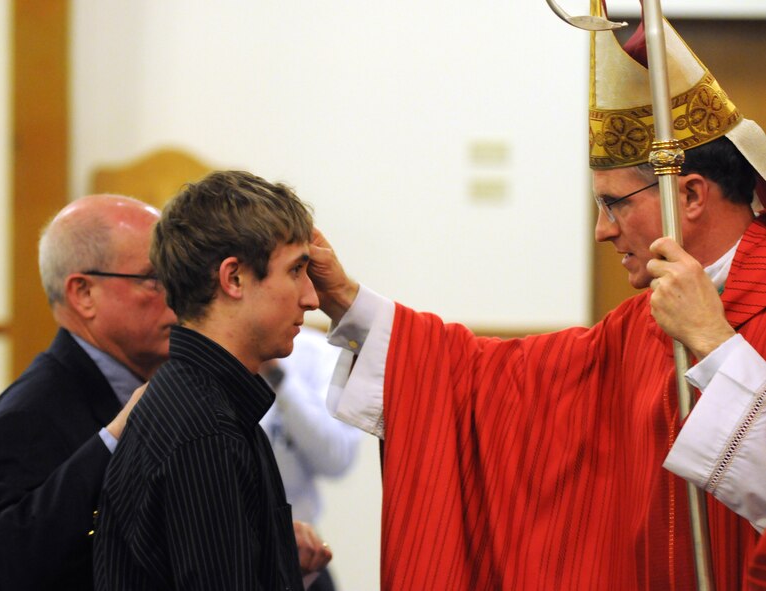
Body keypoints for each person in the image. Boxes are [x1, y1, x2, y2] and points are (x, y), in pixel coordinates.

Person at [307, 14, 766, 591]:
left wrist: (716, 346)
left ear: (691, 195)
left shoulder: (717, 317)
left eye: (614, 203)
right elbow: (497, 384)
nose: (602, 230)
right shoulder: (641, 325)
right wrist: (350, 304)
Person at [93, 170, 332, 590]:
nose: (312, 298)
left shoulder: (204, 400)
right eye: (296, 271)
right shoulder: (206, 430)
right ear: (234, 278)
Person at [0, 194, 176, 591]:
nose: (177, 297)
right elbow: (0, 572)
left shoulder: (142, 390)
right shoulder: (27, 417)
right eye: (154, 278)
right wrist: (113, 439)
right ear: (83, 294)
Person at [260, 326, 362, 591]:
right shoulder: (203, 355)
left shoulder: (317, 352)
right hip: (223, 547)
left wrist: (277, 377)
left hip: (299, 552)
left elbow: (337, 458)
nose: (310, 300)